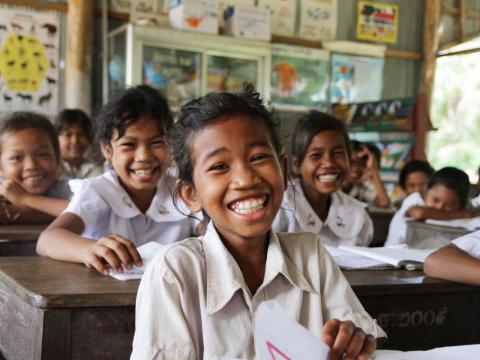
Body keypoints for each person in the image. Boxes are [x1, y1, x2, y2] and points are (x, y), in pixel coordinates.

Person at [131, 86, 385, 360]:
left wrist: (354, 342)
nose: (246, 179)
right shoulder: (175, 272)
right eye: (219, 166)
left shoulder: (310, 254)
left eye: (258, 158)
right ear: (191, 195)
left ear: (284, 169)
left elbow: (357, 338)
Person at [37, 85, 196, 275]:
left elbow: (208, 229)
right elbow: (47, 240)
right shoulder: (99, 191)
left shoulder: (182, 188)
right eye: (129, 145)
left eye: (156, 143)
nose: (144, 156)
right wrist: (89, 249)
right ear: (107, 150)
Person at [272, 111, 373, 247]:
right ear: (297, 164)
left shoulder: (357, 213)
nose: (329, 163)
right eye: (316, 155)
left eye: (337, 154)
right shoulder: (280, 208)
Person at [0, 112, 70, 224]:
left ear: (57, 157)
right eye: (17, 157)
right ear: (1, 167)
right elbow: (74, 212)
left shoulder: (69, 189)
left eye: (42, 155)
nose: (31, 165)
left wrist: (24, 199)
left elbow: (84, 211)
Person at [385, 166, 474, 247]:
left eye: (450, 205)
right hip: (393, 251)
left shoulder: (465, 209)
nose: (439, 207)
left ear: (461, 204)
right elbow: (419, 213)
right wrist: (458, 215)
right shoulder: (415, 199)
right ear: (426, 190)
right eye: (435, 200)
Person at [55, 108, 103, 179]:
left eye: (81, 134)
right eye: (68, 135)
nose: (75, 141)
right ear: (55, 137)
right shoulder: (52, 169)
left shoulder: (97, 171)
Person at [342, 140, 390, 208]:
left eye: (361, 164)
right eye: (352, 162)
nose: (356, 168)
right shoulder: (332, 187)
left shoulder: (359, 188)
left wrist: (373, 169)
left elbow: (384, 203)